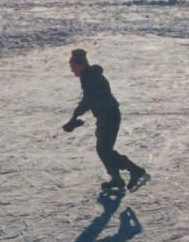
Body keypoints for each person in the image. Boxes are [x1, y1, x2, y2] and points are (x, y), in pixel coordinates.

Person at [62, 47, 147, 192]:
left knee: (103, 150)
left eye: (73, 67)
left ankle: (134, 171)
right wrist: (76, 116)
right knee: (104, 149)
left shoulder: (91, 78)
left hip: (109, 116)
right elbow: (88, 100)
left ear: (80, 65)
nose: (72, 70)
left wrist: (97, 125)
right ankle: (118, 178)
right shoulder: (88, 76)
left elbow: (94, 102)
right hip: (108, 115)